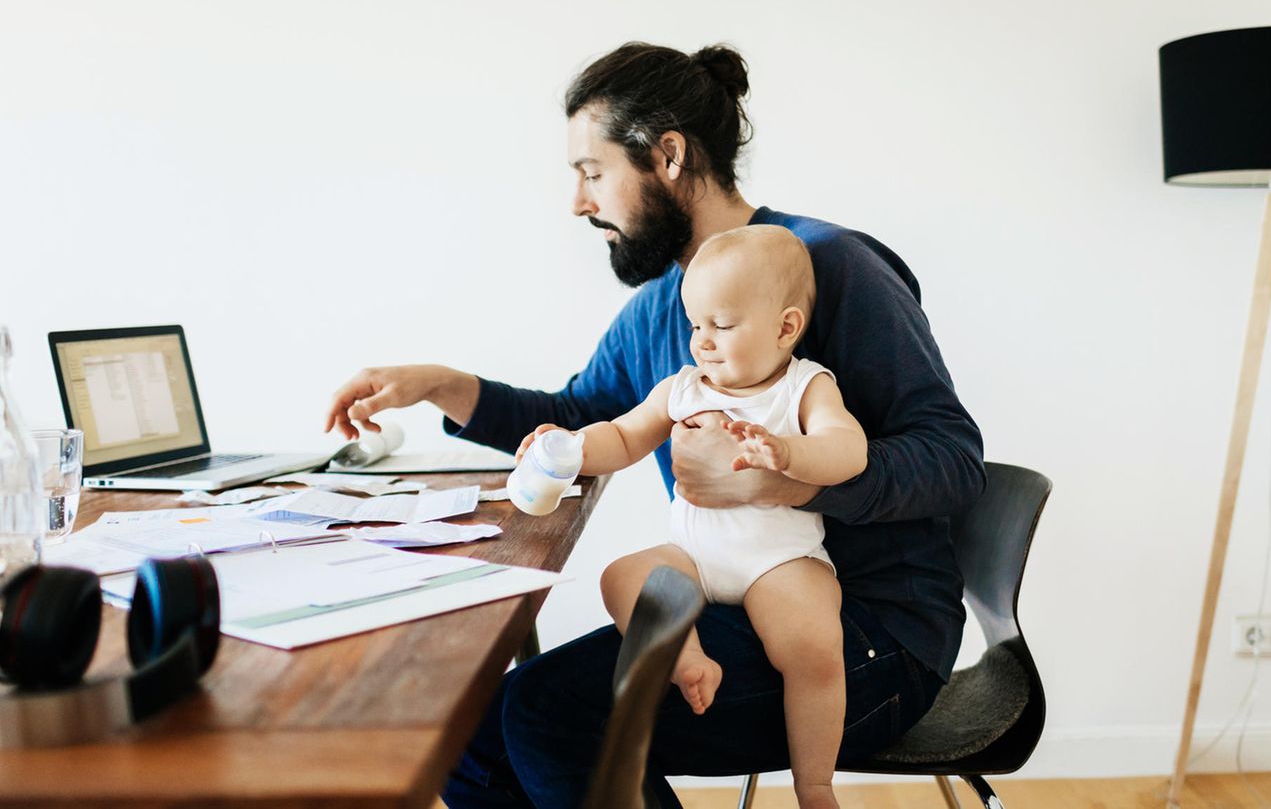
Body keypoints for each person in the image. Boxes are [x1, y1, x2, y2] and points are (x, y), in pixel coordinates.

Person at [323, 41, 985, 808]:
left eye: (592, 171)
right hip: (722, 601)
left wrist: (782, 483)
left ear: (667, 155)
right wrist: (441, 386)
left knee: (549, 713)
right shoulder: (659, 314)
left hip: (865, 640)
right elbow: (577, 420)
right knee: (474, 729)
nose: (578, 202)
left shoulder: (832, 268)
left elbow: (952, 461)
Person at [516, 224, 866, 808]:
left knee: (812, 646)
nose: (702, 341)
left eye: (722, 325)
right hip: (694, 557)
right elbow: (624, 437)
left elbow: (848, 448)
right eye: (695, 324)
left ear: (786, 327)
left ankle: (815, 782)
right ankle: (686, 658)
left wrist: (789, 455)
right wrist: (574, 445)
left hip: (777, 560)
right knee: (623, 576)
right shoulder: (683, 388)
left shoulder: (803, 386)